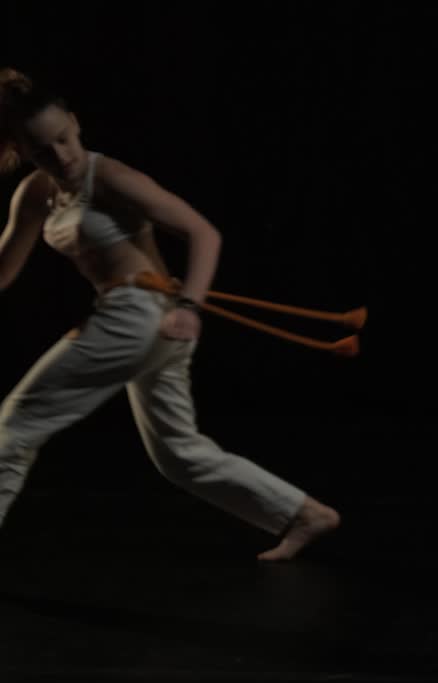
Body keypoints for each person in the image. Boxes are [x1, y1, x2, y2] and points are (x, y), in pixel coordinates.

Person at [0, 68, 340, 561]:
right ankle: (305, 513)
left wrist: (190, 306)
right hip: (141, 320)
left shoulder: (110, 176)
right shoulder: (36, 194)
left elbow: (203, 233)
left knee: (16, 424)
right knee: (178, 454)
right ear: (23, 151)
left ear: (75, 123)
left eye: (65, 138)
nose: (61, 155)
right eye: (42, 150)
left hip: (142, 315)